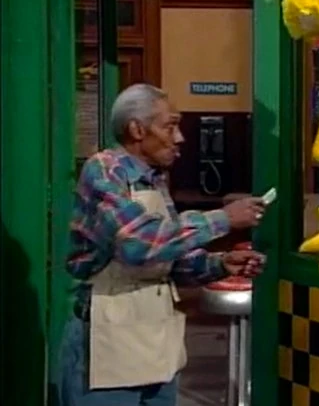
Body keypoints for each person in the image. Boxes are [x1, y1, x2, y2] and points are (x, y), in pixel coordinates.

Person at [58, 83, 267, 406]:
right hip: (107, 344)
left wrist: (220, 264)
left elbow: (168, 259)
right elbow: (138, 243)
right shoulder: (105, 169)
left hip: (156, 344)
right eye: (170, 126)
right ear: (137, 129)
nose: (180, 137)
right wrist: (223, 219)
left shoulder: (154, 180)